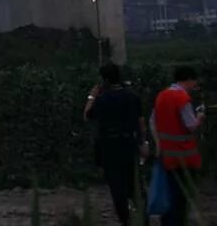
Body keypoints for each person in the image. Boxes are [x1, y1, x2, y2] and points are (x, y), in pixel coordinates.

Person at [85, 64, 147, 226]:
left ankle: (125, 220)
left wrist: (91, 97)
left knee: (117, 186)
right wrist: (143, 142)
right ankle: (143, 218)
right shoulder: (132, 96)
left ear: (104, 79)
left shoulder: (103, 99)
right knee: (135, 184)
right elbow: (141, 122)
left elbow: (87, 115)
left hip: (110, 146)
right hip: (129, 143)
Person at [152, 66, 205, 226]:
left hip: (167, 155)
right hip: (184, 157)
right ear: (188, 79)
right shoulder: (182, 98)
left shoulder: (162, 95)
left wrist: (158, 144)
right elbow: (191, 125)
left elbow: (152, 121)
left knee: (169, 194)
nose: (195, 85)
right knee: (181, 198)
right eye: (194, 81)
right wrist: (200, 117)